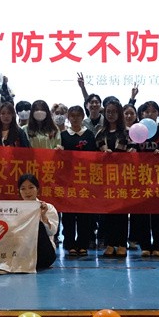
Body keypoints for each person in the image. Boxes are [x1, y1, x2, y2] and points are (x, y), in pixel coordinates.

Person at [128, 100, 159, 258]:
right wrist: (132, 151)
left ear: (158, 113)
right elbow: (131, 146)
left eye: (153, 111)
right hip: (141, 176)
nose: (149, 114)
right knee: (142, 212)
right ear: (141, 114)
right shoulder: (136, 129)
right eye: (146, 112)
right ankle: (145, 245)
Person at [59, 105, 97, 256]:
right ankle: (69, 243)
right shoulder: (63, 135)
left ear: (83, 117)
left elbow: (94, 156)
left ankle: (83, 244)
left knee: (84, 215)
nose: (75, 118)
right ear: (68, 118)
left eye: (78, 115)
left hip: (85, 181)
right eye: (72, 116)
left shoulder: (89, 135)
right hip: (67, 181)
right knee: (68, 215)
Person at [95, 98, 129, 258]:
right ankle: (109, 244)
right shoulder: (100, 133)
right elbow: (94, 155)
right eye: (108, 111)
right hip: (105, 179)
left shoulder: (128, 132)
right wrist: (103, 155)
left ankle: (121, 244)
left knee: (121, 213)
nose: (111, 114)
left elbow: (134, 152)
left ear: (119, 113)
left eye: (114, 111)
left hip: (123, 178)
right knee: (107, 213)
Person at [17, 173, 59, 271]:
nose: (27, 192)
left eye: (31, 187)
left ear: (37, 189)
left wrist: (43, 216)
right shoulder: (15, 210)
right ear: (19, 191)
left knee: (38, 225)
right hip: (21, 254)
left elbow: (52, 232)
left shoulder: (48, 207)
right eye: (23, 188)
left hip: (43, 255)